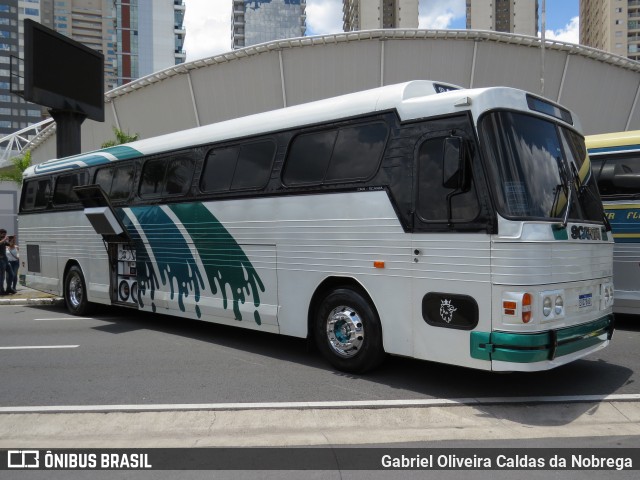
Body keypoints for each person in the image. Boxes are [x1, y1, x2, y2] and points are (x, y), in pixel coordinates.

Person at [0, 229, 13, 295]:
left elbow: (10, 245)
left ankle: (9, 288)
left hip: (5, 259)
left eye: (5, 234)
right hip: (1, 260)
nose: (4, 235)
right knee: (2, 276)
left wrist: (12, 239)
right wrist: (5, 239)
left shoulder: (4, 240)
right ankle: (1, 291)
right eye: (3, 234)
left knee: (11, 274)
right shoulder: (2, 240)